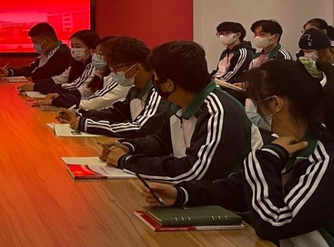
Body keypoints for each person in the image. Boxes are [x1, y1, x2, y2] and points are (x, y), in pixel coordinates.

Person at [141, 59, 334, 246]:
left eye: (256, 102)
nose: (254, 109)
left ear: (276, 103)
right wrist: (182, 194)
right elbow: (241, 188)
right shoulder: (292, 144)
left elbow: (274, 222)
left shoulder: (327, 161)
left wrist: (263, 161)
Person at [100, 41, 262, 183]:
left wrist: (126, 161)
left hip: (225, 202)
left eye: (154, 76)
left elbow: (195, 172)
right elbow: (162, 140)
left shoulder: (218, 111)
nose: (153, 80)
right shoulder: (179, 103)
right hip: (191, 191)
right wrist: (128, 147)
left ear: (168, 84)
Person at [56, 37, 169, 138]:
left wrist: (87, 124)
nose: (113, 73)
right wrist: (79, 115)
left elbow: (141, 128)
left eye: (116, 68)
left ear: (137, 67)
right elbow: (116, 114)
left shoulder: (158, 92)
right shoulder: (135, 89)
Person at [39, 37, 127, 111]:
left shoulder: (121, 78)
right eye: (95, 52)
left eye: (101, 53)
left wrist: (59, 99)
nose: (73, 50)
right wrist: (59, 96)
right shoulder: (100, 71)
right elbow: (87, 93)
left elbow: (95, 102)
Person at [18, 30, 99, 95]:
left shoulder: (94, 66)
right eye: (72, 46)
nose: (73, 50)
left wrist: (37, 87)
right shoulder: (76, 65)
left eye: (78, 47)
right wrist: (36, 86)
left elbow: (77, 88)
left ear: (92, 48)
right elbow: (58, 79)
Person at [0, 22, 70, 82]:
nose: (34, 46)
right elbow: (31, 69)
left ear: (47, 41)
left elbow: (39, 74)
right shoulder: (47, 52)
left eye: (36, 42)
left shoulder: (62, 53)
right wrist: (9, 72)